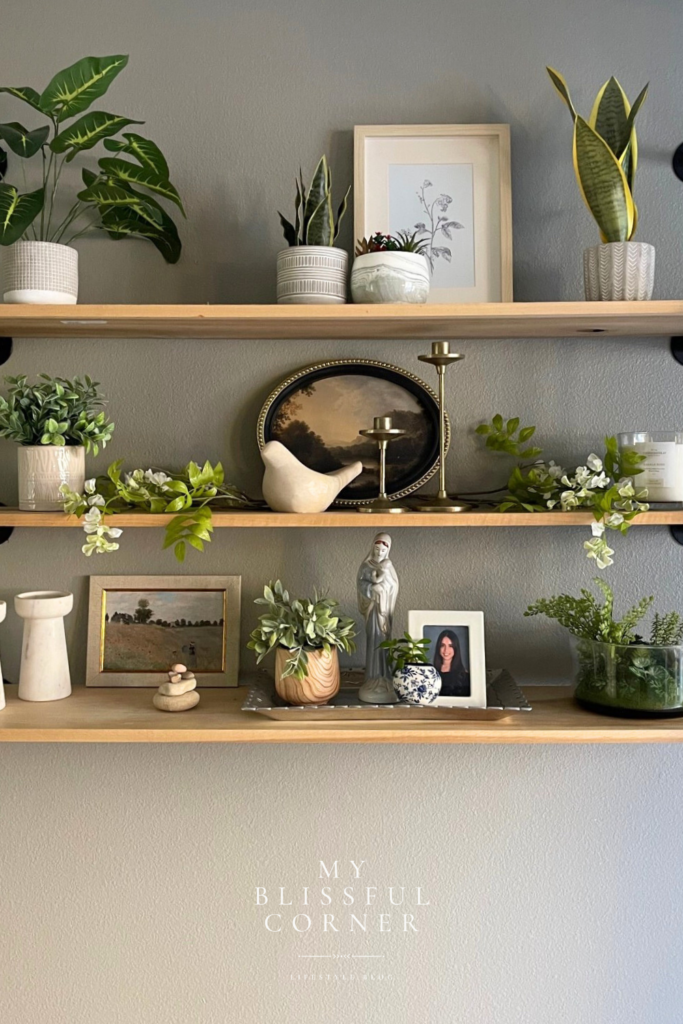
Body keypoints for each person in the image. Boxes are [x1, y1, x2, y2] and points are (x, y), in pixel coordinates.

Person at [356, 532, 399, 702]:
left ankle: (385, 678)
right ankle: (373, 678)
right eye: (377, 549)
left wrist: (384, 592)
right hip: (372, 611)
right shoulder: (366, 566)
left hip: (383, 612)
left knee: (383, 640)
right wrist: (371, 591)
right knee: (373, 640)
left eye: (383, 550)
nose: (379, 553)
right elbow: (361, 584)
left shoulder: (388, 566)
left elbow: (394, 586)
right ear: (372, 547)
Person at [433, 629, 470, 697]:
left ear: (455, 648)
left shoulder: (465, 676)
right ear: (438, 648)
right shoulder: (430, 673)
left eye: (450, 646)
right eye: (442, 645)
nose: (446, 650)